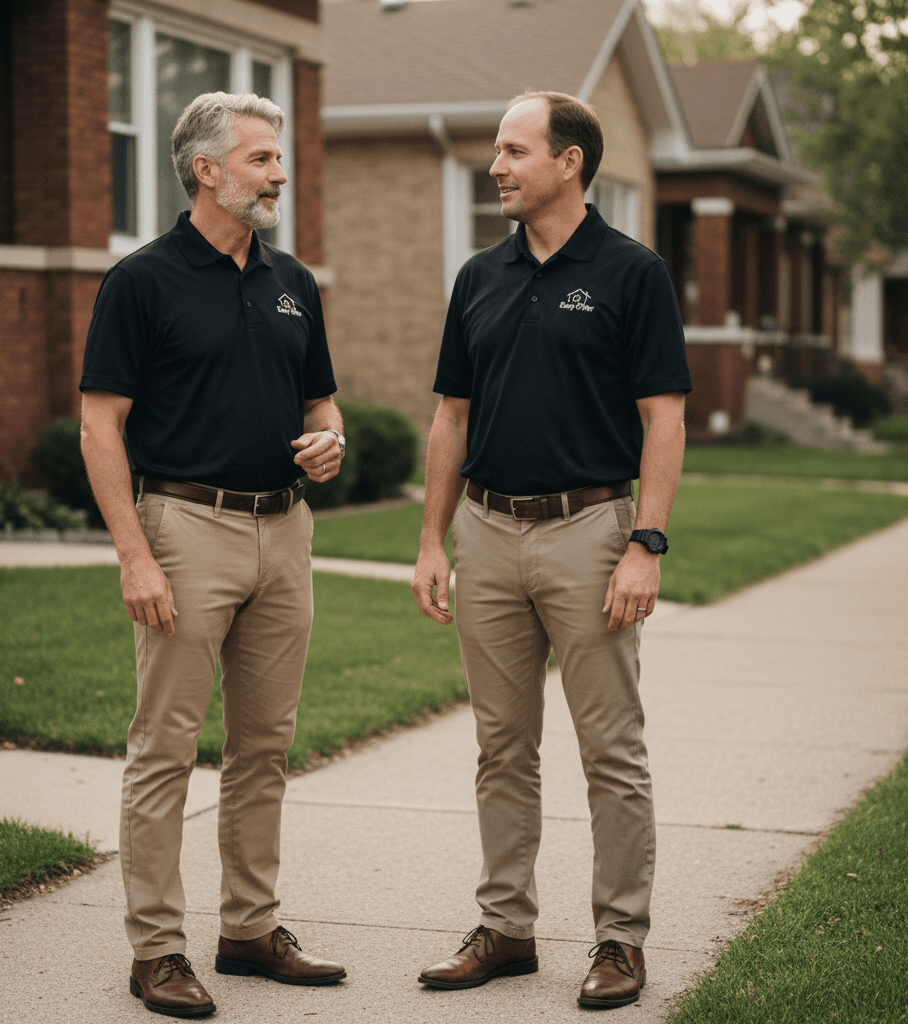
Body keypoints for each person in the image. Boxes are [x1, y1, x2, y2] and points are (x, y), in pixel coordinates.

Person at [411, 91, 690, 1010]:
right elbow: (450, 416)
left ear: (569, 162)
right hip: (487, 533)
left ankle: (620, 940)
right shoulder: (478, 277)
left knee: (611, 749)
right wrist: (432, 540)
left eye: (514, 149)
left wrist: (645, 543)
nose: (496, 165)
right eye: (496, 149)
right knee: (501, 747)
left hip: (590, 533)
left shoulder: (632, 272)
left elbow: (663, 418)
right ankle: (505, 928)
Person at [80, 92, 348, 1019]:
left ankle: (249, 929)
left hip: (286, 529)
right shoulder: (141, 281)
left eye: (277, 159)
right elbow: (100, 426)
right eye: (262, 159)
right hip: (186, 528)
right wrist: (134, 555)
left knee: (264, 746)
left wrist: (331, 439)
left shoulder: (292, 280)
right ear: (206, 170)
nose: (280, 174)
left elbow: (320, 401)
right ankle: (156, 949)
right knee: (165, 748)